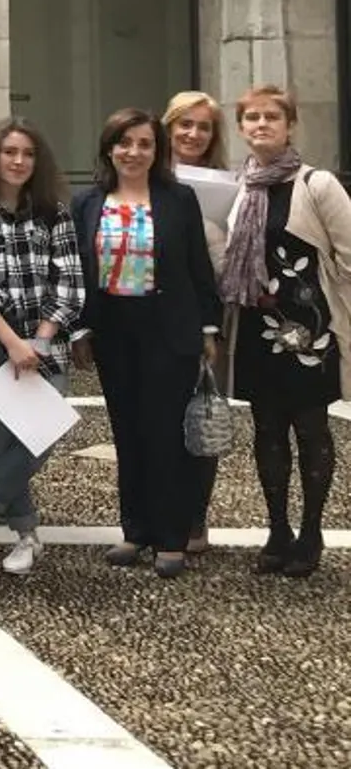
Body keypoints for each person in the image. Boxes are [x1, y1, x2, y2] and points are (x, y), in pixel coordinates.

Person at [68, 109, 220, 579]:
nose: (133, 152)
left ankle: (171, 537)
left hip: (168, 326)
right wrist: (81, 328)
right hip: (113, 328)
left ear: (156, 151)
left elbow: (198, 265)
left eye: (144, 143)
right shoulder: (88, 202)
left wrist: (209, 329)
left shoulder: (179, 199)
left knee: (166, 434)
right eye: (124, 142)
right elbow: (78, 270)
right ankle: (135, 531)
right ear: (108, 148)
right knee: (127, 431)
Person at [219, 85, 351, 578]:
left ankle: (312, 529)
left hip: (309, 329)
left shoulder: (318, 184)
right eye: (251, 117)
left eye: (271, 116)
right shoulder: (242, 188)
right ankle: (277, 528)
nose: (261, 124)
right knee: (268, 428)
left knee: (311, 428)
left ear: (290, 124)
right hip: (257, 327)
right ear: (241, 128)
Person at [0, 117, 83, 576]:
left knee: (44, 426)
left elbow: (69, 280)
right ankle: (26, 532)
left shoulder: (54, 212)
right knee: (0, 427)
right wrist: (11, 342)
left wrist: (40, 341)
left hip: (46, 335)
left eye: (27, 154)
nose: (19, 161)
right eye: (10, 152)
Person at [162, 88, 228, 551]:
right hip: (154, 313)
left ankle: (194, 517)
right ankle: (159, 513)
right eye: (185, 124)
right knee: (158, 419)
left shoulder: (229, 185)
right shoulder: (145, 180)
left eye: (203, 126)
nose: (193, 134)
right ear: (169, 127)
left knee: (200, 414)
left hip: (207, 308)